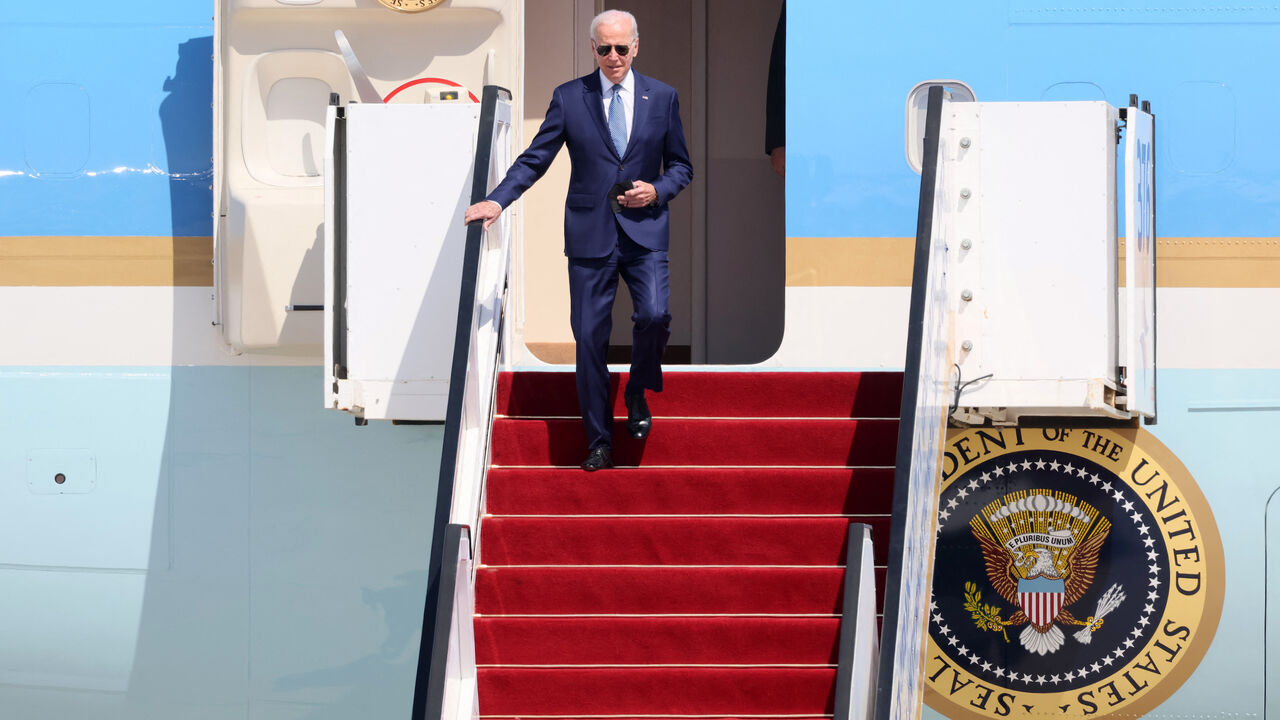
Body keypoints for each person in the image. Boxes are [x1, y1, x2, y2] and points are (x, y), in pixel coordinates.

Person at [464, 9, 693, 471]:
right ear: (593, 49)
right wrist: (497, 201)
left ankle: (637, 387)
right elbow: (536, 158)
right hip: (590, 235)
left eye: (621, 48)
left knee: (654, 314)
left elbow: (682, 166)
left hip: (645, 231)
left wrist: (658, 189)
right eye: (604, 48)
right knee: (589, 337)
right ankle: (599, 441)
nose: (613, 57)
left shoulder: (662, 97)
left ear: (636, 46)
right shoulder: (570, 97)